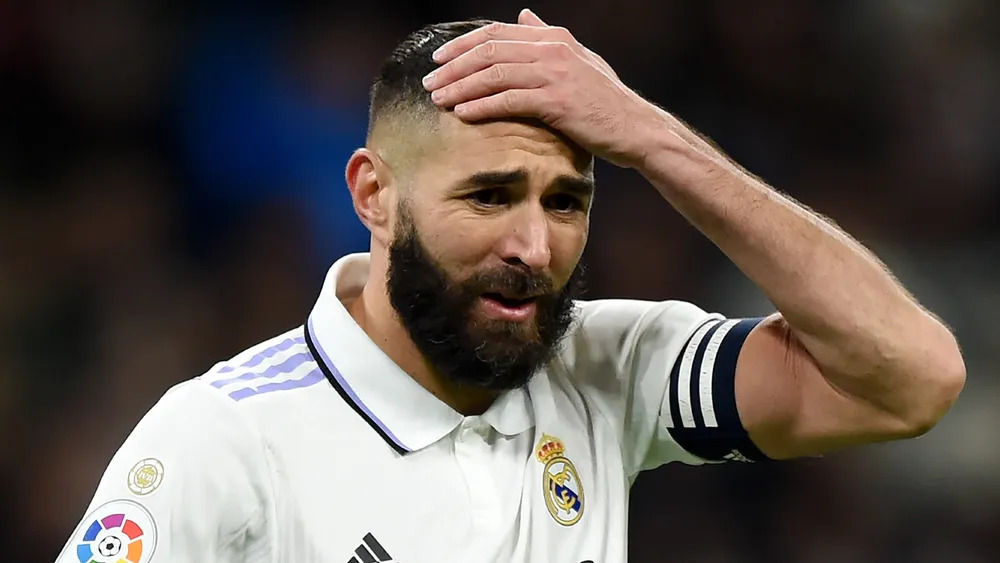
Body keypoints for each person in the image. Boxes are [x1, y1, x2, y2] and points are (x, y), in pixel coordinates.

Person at [56, 10, 965, 563]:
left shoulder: (608, 370)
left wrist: (653, 138)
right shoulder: (226, 436)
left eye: (566, 201)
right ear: (374, 196)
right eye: (489, 195)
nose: (534, 245)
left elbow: (911, 378)